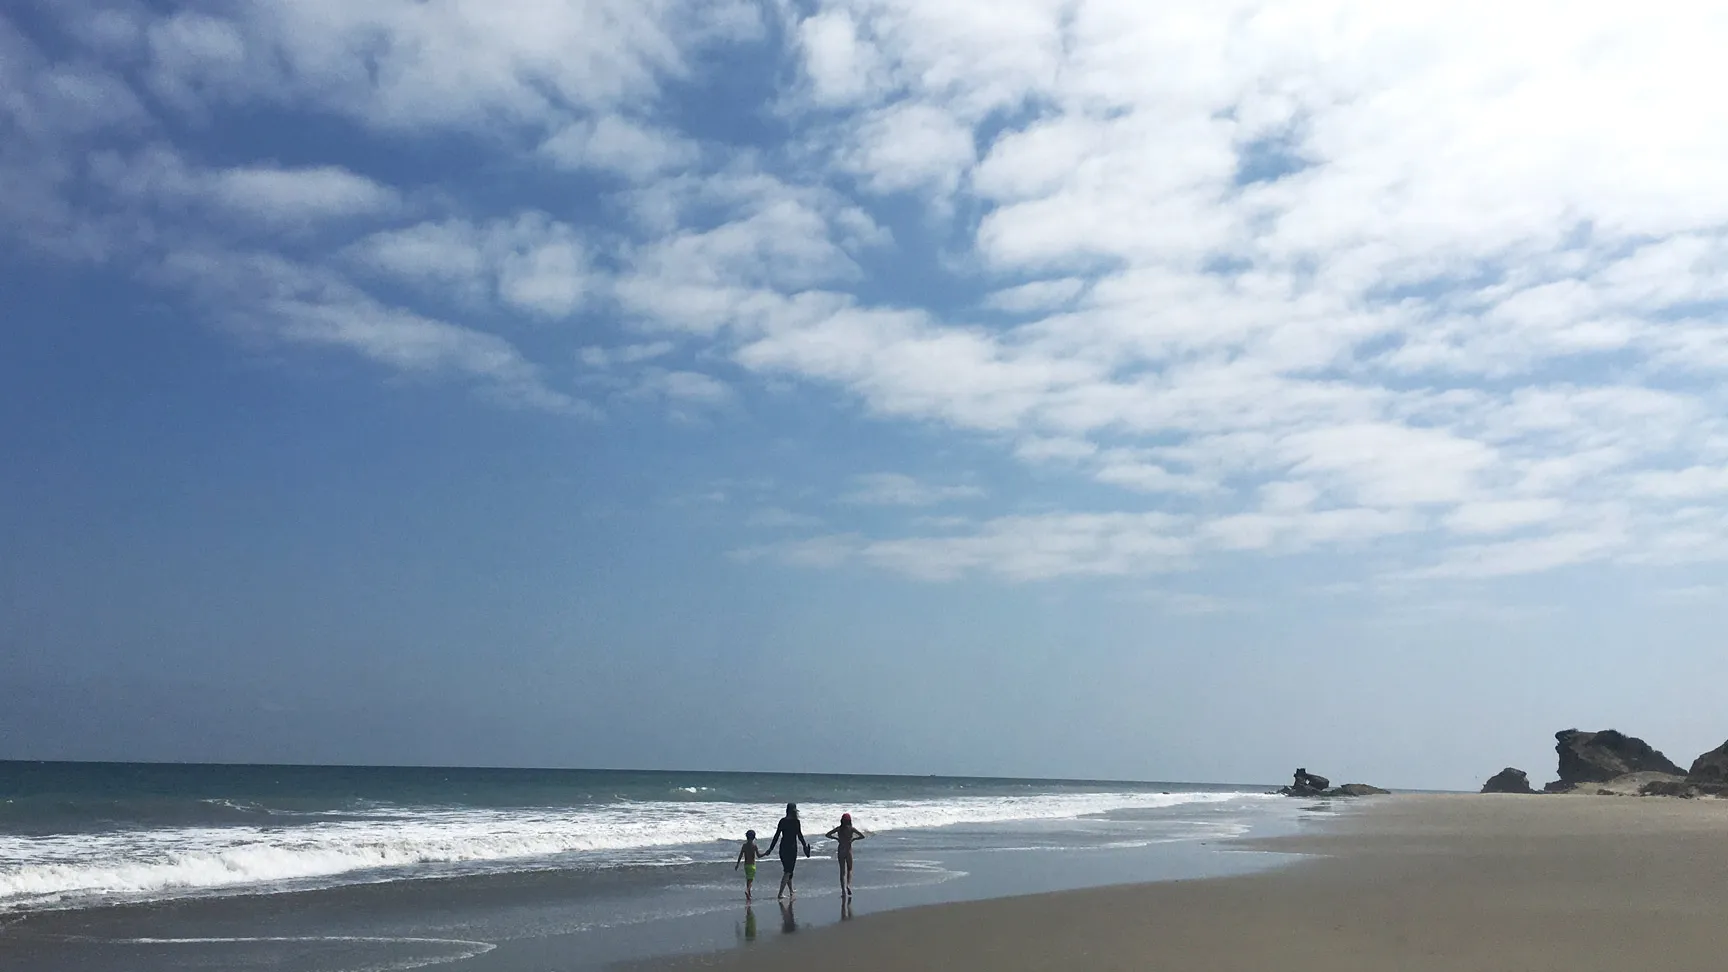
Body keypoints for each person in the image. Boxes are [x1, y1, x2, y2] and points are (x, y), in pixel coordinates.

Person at [765, 802, 811, 899]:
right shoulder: (796, 822)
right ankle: (780, 893)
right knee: (788, 871)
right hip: (792, 849)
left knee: (789, 870)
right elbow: (800, 836)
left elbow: (776, 836)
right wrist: (804, 846)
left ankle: (790, 890)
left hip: (783, 848)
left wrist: (771, 848)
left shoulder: (782, 821)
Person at [824, 812, 869, 897]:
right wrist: (854, 839)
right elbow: (862, 836)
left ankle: (843, 891)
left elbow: (827, 835)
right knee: (850, 869)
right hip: (848, 849)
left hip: (841, 849)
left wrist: (836, 838)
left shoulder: (838, 829)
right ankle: (848, 885)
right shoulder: (851, 829)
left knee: (842, 871)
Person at [734, 829, 763, 901]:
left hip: (746, 866)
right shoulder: (754, 846)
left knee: (748, 879)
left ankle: (749, 894)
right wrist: (765, 853)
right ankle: (747, 890)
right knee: (751, 881)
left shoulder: (744, 846)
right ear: (753, 838)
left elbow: (740, 855)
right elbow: (758, 856)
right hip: (752, 866)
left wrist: (737, 864)